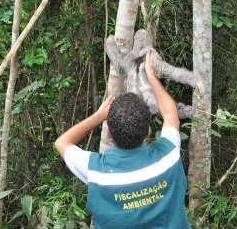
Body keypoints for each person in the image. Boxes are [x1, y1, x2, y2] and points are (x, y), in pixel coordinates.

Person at [55, 51, 189, 229]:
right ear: (148, 130)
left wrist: (98, 116)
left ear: (109, 130)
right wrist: (151, 75)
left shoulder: (97, 172)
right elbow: (170, 113)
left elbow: (61, 143)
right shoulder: (168, 156)